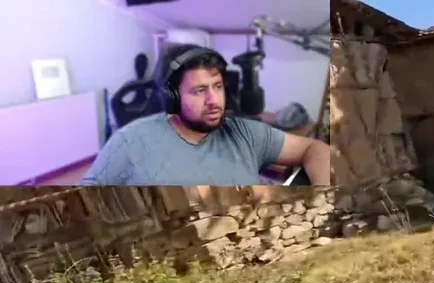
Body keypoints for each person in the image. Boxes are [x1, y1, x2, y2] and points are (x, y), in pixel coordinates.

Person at [78, 45, 330, 186]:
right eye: (199, 91)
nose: (214, 101)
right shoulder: (130, 141)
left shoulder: (244, 131)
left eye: (217, 87)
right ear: (172, 98)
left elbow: (315, 149)